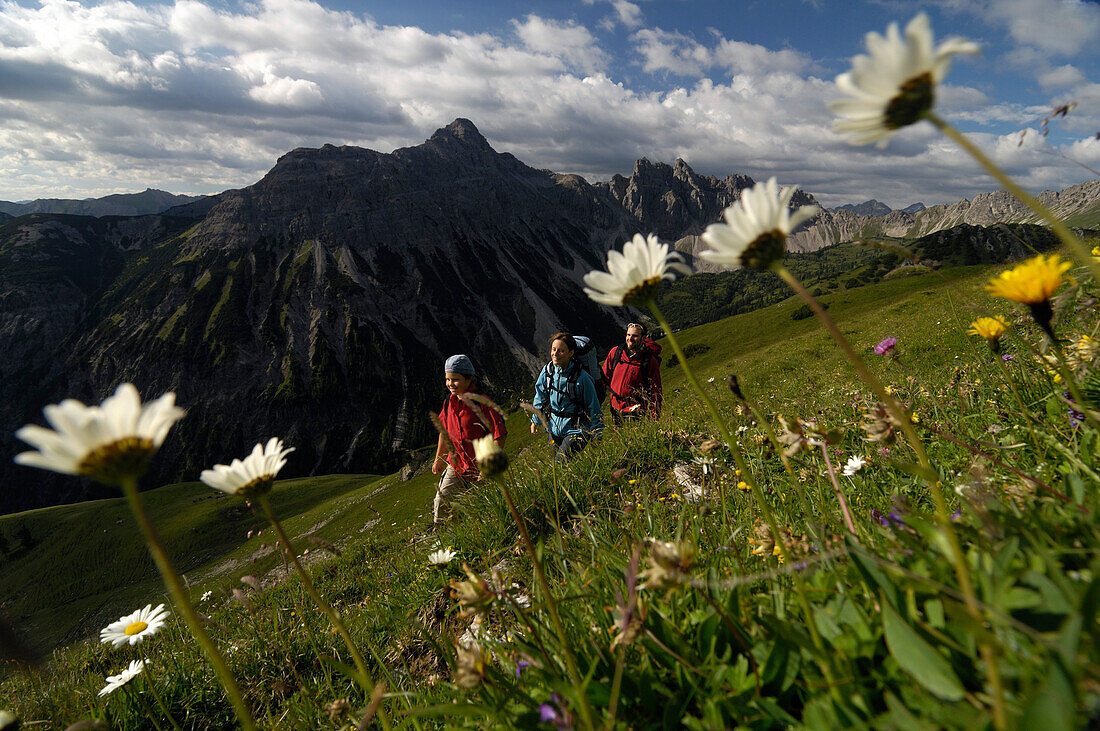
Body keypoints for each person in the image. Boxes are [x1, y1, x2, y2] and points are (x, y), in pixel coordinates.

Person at [431, 354, 507, 523]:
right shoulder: (448, 403)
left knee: (483, 510)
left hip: (480, 468)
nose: (450, 384)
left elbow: (499, 435)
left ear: (468, 378)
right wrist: (438, 459)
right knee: (441, 502)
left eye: (455, 379)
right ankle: (445, 536)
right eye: (448, 379)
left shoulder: (482, 403)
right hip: (456, 465)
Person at [530, 332, 604, 462]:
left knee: (560, 462)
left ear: (571, 353)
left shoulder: (582, 378)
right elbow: (540, 395)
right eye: (554, 349)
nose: (555, 354)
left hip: (577, 430)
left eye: (561, 351)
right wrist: (536, 418)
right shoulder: (548, 371)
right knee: (555, 466)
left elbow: (593, 406)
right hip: (554, 428)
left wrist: (597, 433)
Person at [602, 322, 662, 425]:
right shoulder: (616, 353)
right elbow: (603, 377)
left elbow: (655, 390)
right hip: (615, 408)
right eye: (628, 335)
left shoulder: (649, 360)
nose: (630, 338)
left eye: (635, 336)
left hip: (635, 410)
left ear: (643, 338)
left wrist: (655, 418)